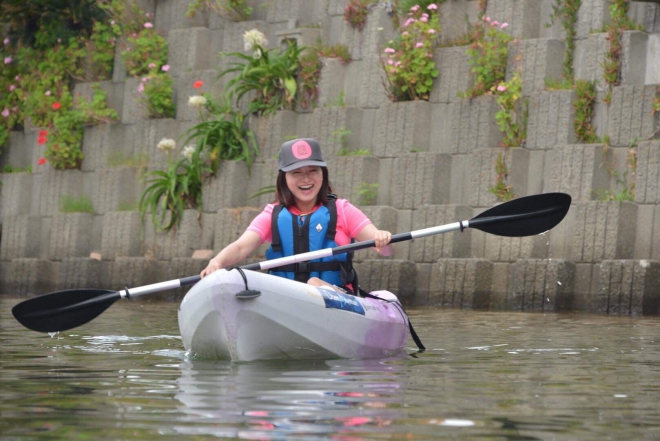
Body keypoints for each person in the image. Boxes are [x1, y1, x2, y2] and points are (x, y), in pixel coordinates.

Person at [200, 138, 393, 294]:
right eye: (296, 172)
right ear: (284, 177)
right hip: (286, 298)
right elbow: (241, 247)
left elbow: (384, 249)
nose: (306, 179)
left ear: (322, 174)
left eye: (312, 171)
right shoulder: (272, 214)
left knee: (314, 283)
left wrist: (383, 241)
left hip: (336, 296)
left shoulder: (342, 210)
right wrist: (217, 262)